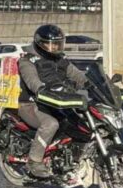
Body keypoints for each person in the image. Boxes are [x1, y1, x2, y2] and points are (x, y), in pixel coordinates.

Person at [17, 24, 87, 178]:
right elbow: (32, 80)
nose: (55, 47)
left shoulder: (61, 60)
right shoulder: (27, 60)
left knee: (82, 121)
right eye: (51, 44)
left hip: (57, 102)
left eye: (58, 43)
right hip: (31, 104)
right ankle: (34, 160)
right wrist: (40, 89)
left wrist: (92, 83)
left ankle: (72, 156)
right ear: (40, 43)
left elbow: (77, 75)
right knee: (51, 124)